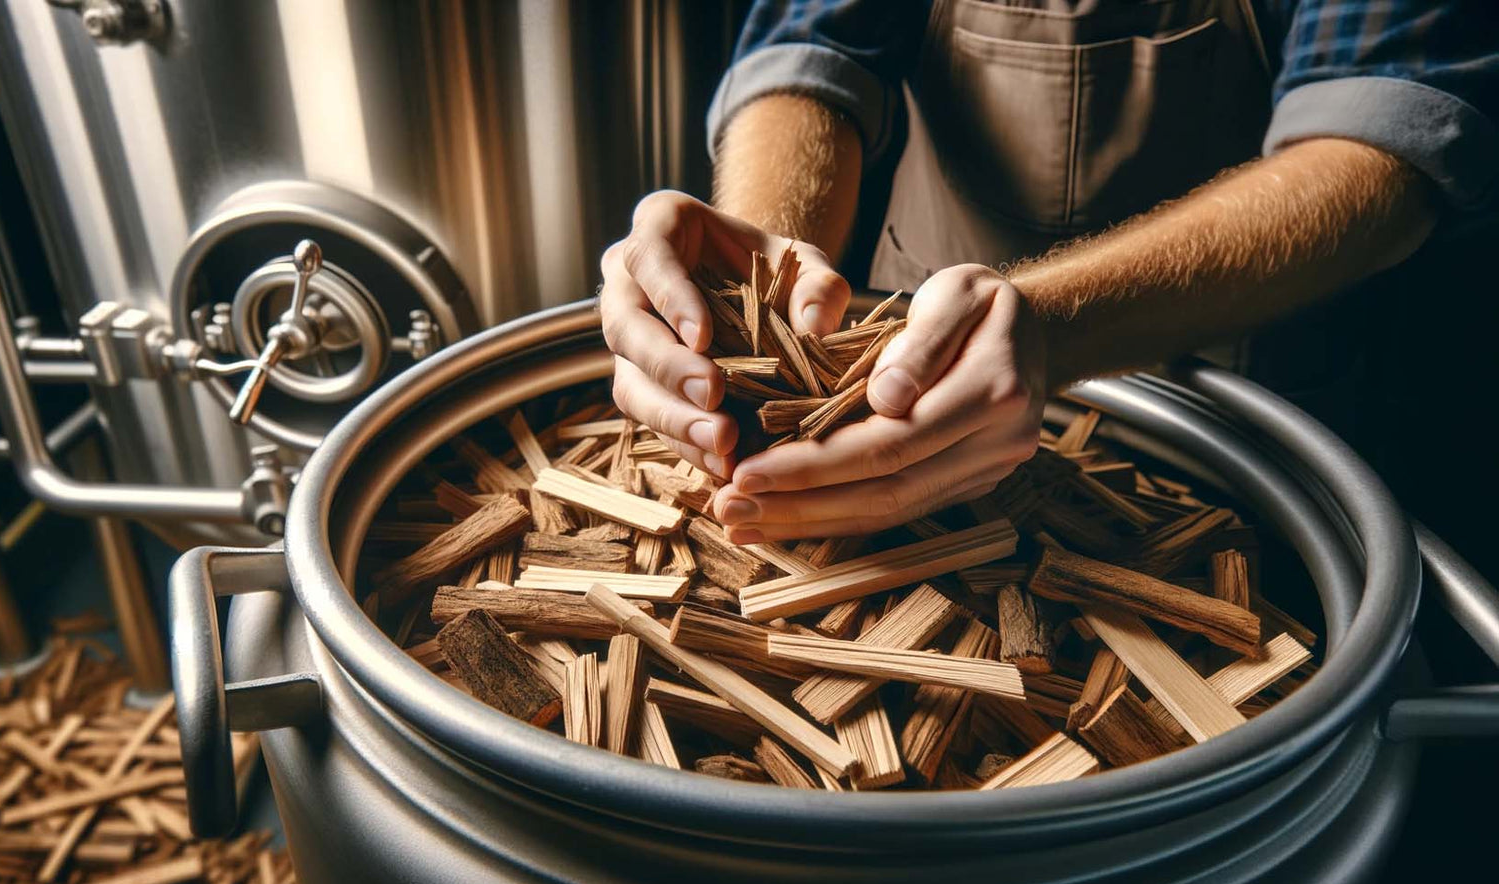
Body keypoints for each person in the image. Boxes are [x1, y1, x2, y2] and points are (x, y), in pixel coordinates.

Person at [597, 0, 1497, 545]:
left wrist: (1046, 322)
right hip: (893, 398)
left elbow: (1383, 146)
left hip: (1228, 440)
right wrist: (757, 288)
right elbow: (809, 42)